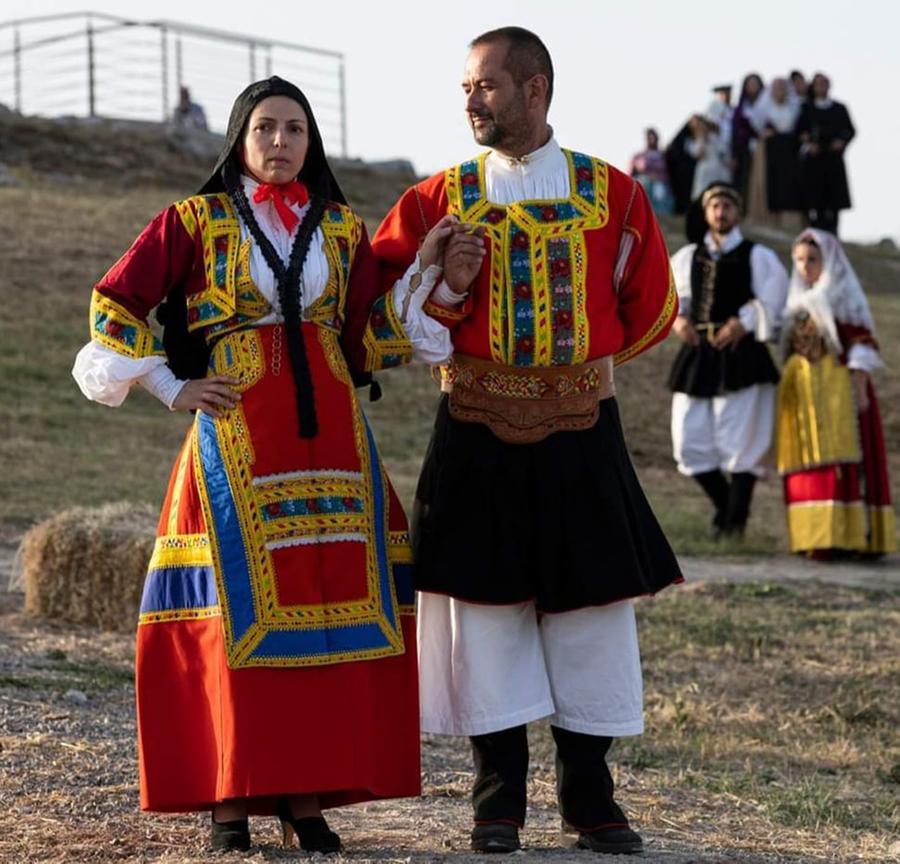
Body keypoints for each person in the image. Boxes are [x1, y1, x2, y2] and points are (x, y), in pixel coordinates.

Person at [72, 76, 456, 853]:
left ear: (311, 144)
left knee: (328, 616)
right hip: (237, 435)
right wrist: (170, 384)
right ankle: (229, 799)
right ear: (241, 138)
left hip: (336, 444)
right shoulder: (194, 221)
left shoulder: (345, 231)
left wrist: (432, 273)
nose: (281, 143)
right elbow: (115, 302)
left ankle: (305, 795)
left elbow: (365, 336)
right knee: (233, 617)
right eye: (266, 129)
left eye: (296, 131)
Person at [372, 26, 682, 857]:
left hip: (585, 431)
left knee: (590, 615)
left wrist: (574, 368)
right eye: (465, 89)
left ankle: (593, 801)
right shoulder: (436, 198)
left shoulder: (613, 194)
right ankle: (496, 804)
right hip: (473, 428)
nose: (471, 101)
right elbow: (377, 313)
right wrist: (444, 289)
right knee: (484, 614)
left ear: (535, 89)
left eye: (486, 86)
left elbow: (649, 302)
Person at [668, 183, 788, 539]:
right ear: (706, 212)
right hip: (699, 353)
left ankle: (733, 525)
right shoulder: (688, 256)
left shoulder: (757, 256)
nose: (720, 213)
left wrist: (745, 321)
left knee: (741, 440)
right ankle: (727, 510)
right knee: (688, 441)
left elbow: (772, 300)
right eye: (715, 206)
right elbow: (671, 298)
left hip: (741, 356)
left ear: (737, 212)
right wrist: (678, 321)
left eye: (727, 206)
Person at [775, 230, 895, 556]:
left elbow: (862, 341)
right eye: (798, 260)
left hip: (838, 387)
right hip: (803, 390)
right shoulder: (795, 301)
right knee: (806, 460)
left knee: (843, 460)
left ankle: (848, 535)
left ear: (826, 261)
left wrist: (858, 381)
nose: (804, 267)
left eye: (812, 260)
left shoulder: (841, 294)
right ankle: (812, 536)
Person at [796, 73, 855, 235]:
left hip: (833, 161)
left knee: (834, 202)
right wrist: (808, 143)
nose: (821, 87)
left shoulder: (839, 108)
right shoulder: (806, 108)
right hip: (814, 162)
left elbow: (850, 130)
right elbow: (799, 131)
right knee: (815, 201)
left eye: (824, 84)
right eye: (818, 84)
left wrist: (841, 142)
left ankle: (833, 235)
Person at [749, 77, 802, 227]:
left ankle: (790, 222)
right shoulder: (763, 108)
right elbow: (757, 128)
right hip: (769, 152)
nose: (779, 91)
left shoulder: (794, 108)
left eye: (782, 87)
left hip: (789, 152)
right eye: (776, 87)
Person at [731, 73, 765, 206]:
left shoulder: (765, 105)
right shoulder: (740, 109)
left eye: (755, 84)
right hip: (743, 151)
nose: (753, 87)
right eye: (750, 84)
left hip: (762, 149)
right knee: (744, 180)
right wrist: (734, 155)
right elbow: (735, 133)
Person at [629, 127, 674, 215]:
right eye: (648, 137)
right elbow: (631, 173)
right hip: (645, 185)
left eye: (652, 137)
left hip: (661, 185)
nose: (650, 140)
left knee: (660, 193)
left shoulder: (663, 155)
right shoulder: (638, 156)